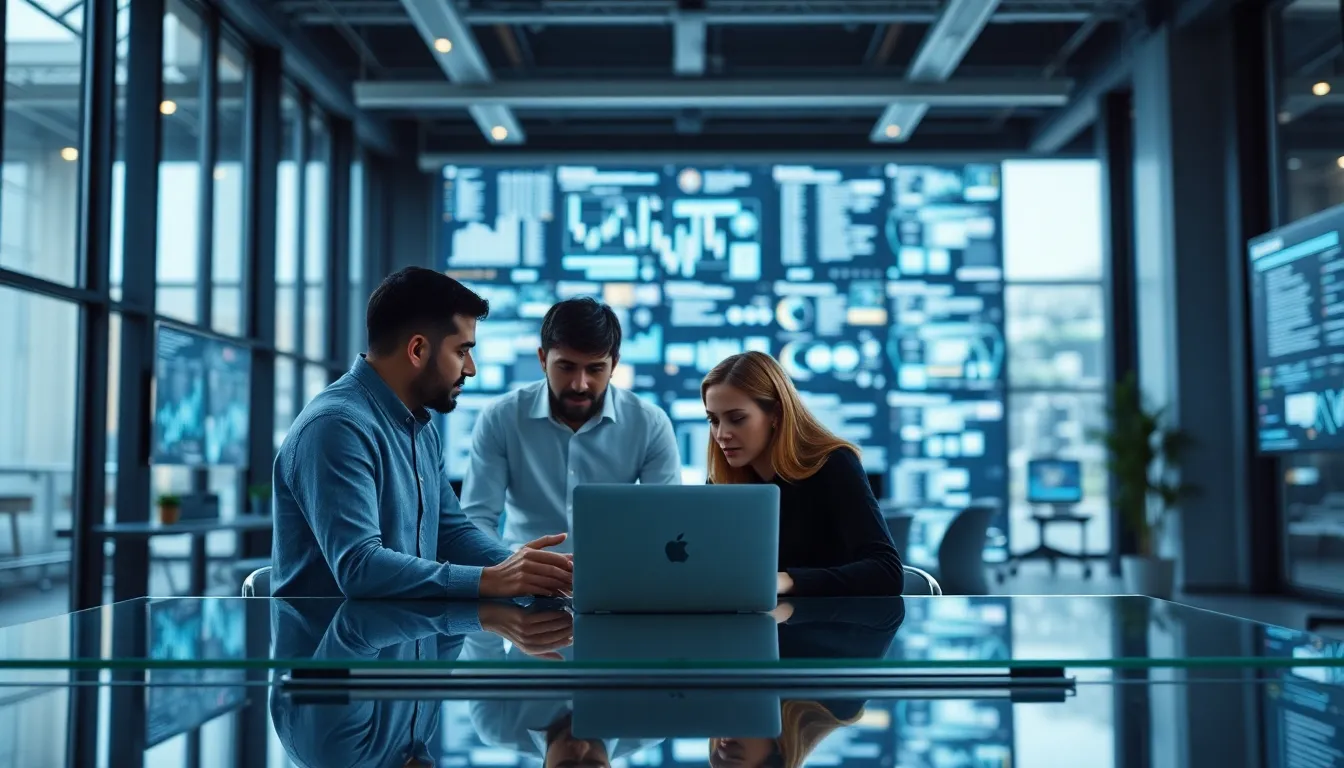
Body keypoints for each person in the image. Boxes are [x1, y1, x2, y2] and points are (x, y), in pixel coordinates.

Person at [271, 266, 572, 599]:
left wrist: (527, 570)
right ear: (417, 350)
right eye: (461, 351)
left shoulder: (420, 429)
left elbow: (450, 534)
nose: (470, 368)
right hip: (336, 645)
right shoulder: (336, 426)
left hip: (401, 641)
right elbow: (359, 568)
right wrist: (492, 580)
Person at [462, 297, 680, 553]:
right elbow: (476, 519)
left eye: (595, 369)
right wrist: (508, 568)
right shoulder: (501, 418)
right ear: (543, 359)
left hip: (616, 580)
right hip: (521, 579)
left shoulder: (649, 424)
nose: (580, 384)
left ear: (614, 365)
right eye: (566, 367)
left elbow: (667, 522)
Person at [701, 351, 904, 597]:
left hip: (828, 628)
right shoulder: (723, 481)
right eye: (714, 420)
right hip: (753, 627)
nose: (722, 434)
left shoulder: (832, 464)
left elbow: (887, 572)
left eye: (737, 419)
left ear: (775, 413)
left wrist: (786, 581)